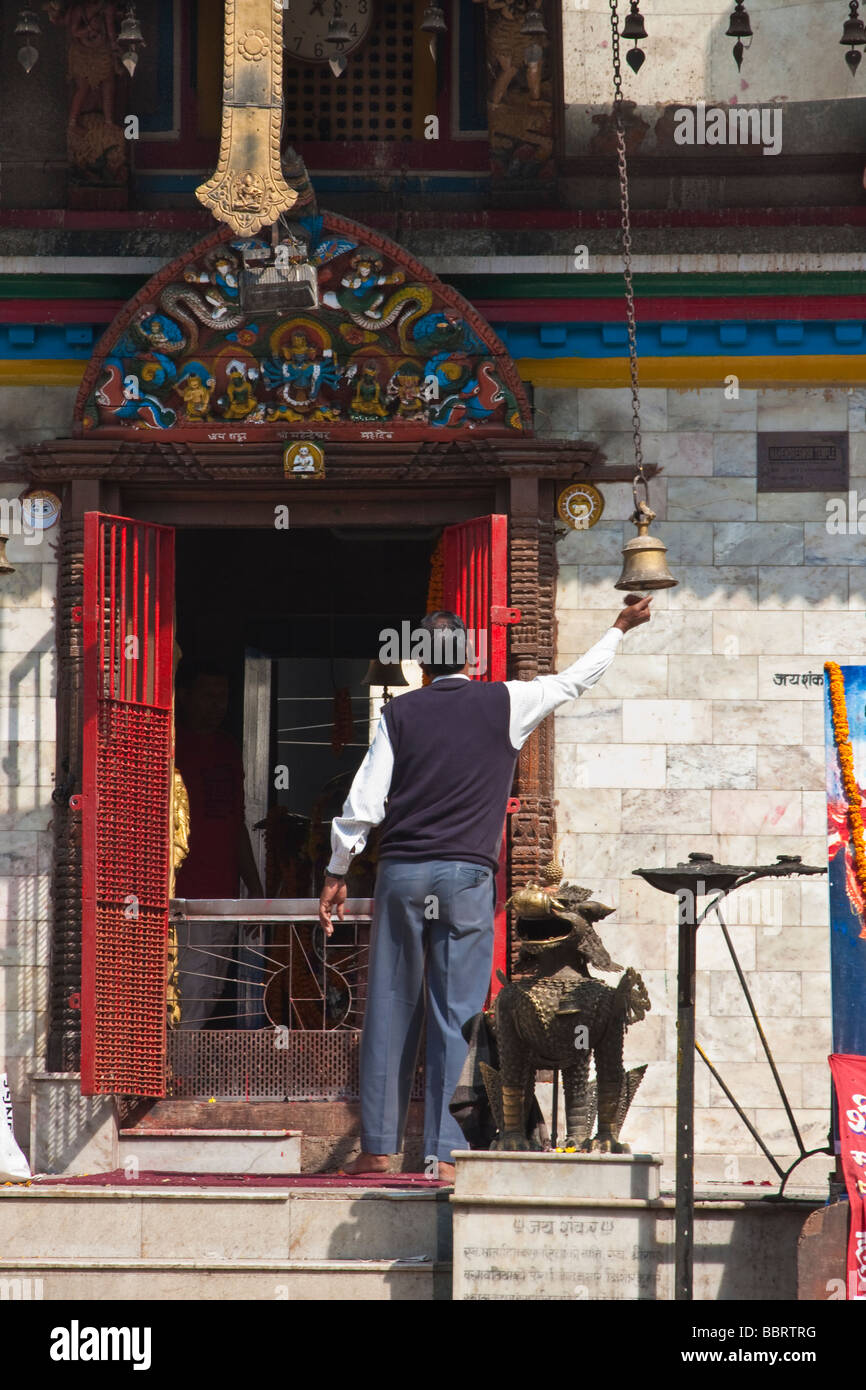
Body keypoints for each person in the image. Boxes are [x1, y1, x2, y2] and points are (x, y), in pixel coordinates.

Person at [318, 594, 652, 1180]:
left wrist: (338, 869)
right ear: (472, 659)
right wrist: (619, 628)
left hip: (402, 875)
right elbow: (574, 682)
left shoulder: (400, 715)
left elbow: (364, 802)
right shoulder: (508, 701)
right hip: (467, 879)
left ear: (421, 665)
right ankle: (446, 1153)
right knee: (461, 1015)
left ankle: (377, 1149)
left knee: (392, 1009)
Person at [174, 661, 264, 1028]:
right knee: (187, 996)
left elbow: (235, 822)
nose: (218, 704)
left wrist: (254, 891)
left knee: (210, 992)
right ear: (186, 696)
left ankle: (184, 1073)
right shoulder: (172, 746)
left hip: (225, 896)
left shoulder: (228, 748)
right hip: (185, 898)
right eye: (208, 695)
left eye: (223, 695)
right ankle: (174, 1079)